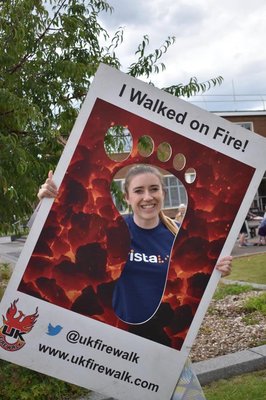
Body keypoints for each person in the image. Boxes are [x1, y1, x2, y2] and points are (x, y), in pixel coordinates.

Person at [38, 164, 232, 400]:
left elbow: (193, 280)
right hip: (120, 345)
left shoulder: (179, 237)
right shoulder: (111, 232)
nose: (147, 197)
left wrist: (217, 268)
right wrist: (48, 203)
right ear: (127, 197)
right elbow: (59, 247)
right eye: (139, 191)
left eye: (154, 189)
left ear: (164, 193)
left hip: (165, 344)